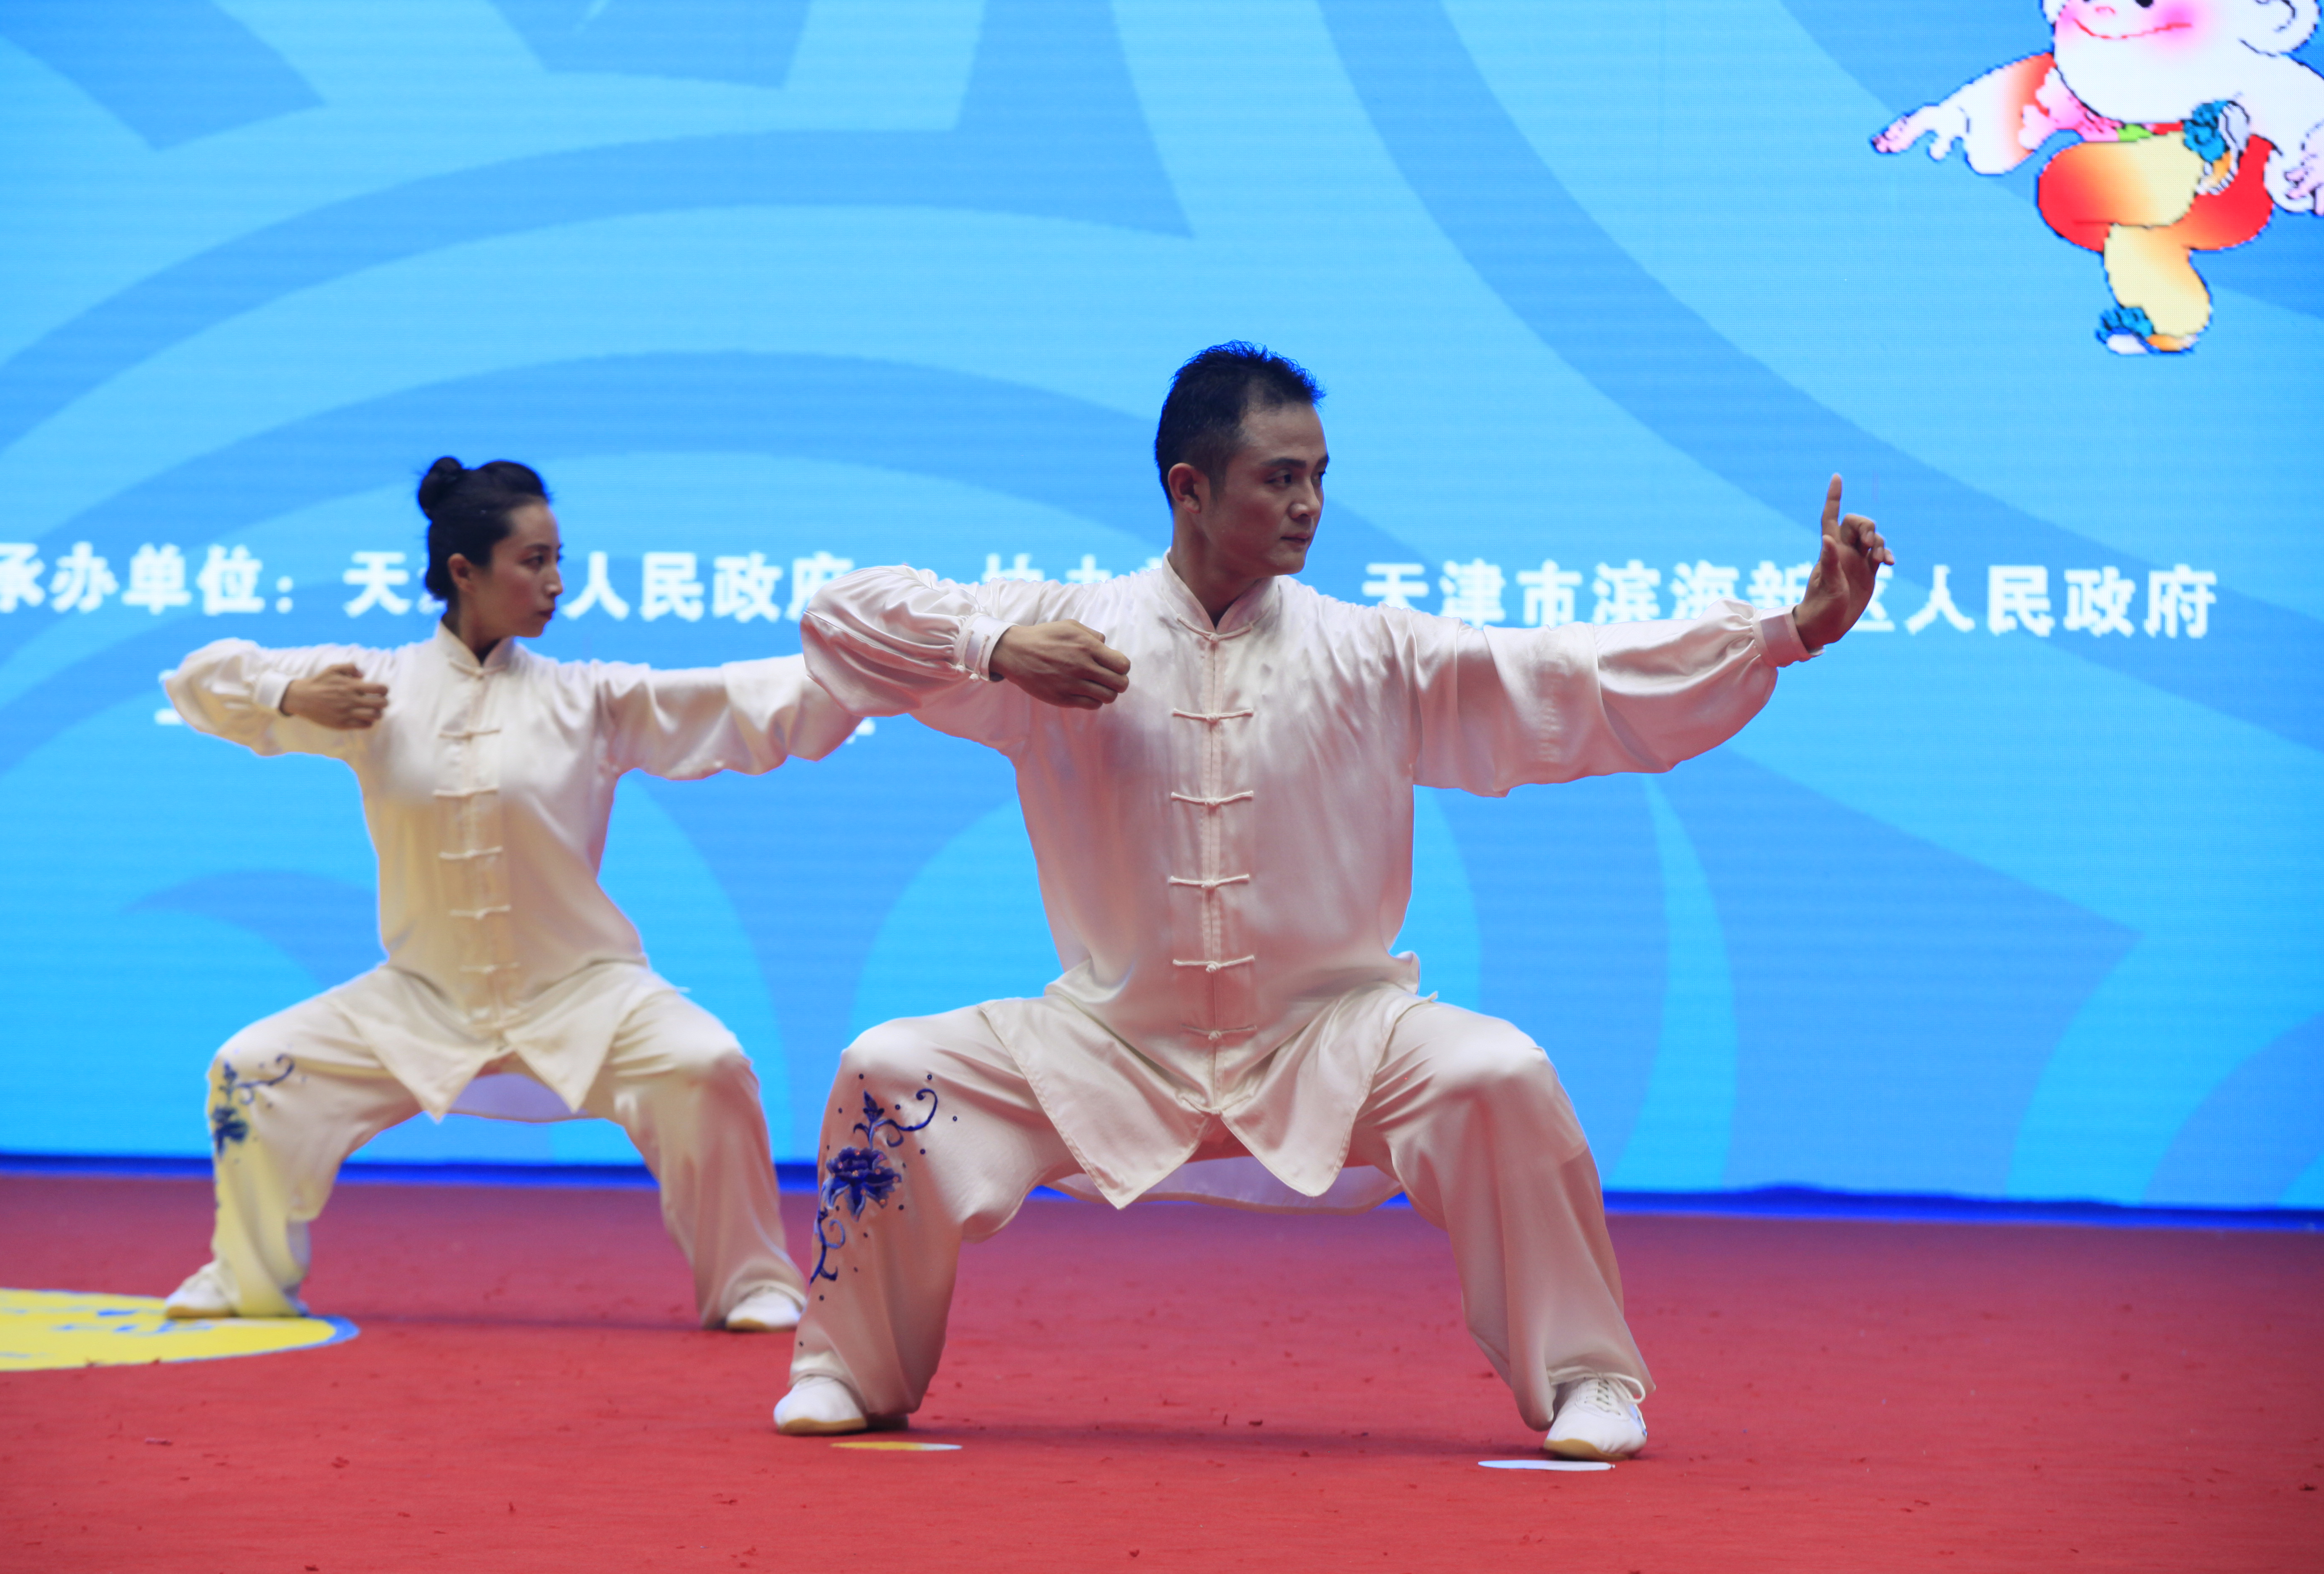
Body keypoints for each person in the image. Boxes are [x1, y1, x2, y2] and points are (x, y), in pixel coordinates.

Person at [777, 344, 1891, 1458]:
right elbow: (836, 618)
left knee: (1499, 1075)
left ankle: (1589, 1377)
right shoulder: (1064, 636)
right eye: (1280, 478)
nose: (1310, 503)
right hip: (1109, 1039)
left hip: (1337, 1039)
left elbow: (1575, 680)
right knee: (890, 1068)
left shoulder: (1370, 650)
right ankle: (849, 1368)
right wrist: (995, 649)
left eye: (1319, 476)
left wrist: (1789, 632)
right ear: (1189, 488)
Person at [160, 457, 856, 1331]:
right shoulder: (372, 689)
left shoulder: (589, 699)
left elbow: (747, 699)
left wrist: (909, 663)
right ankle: (245, 1277)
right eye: (534, 561)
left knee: (707, 1065)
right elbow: (198, 679)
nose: (557, 582)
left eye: (559, 559)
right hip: (423, 996)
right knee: (251, 1069)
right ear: (465, 571)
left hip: (583, 992)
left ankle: (752, 1281)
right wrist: (287, 694)